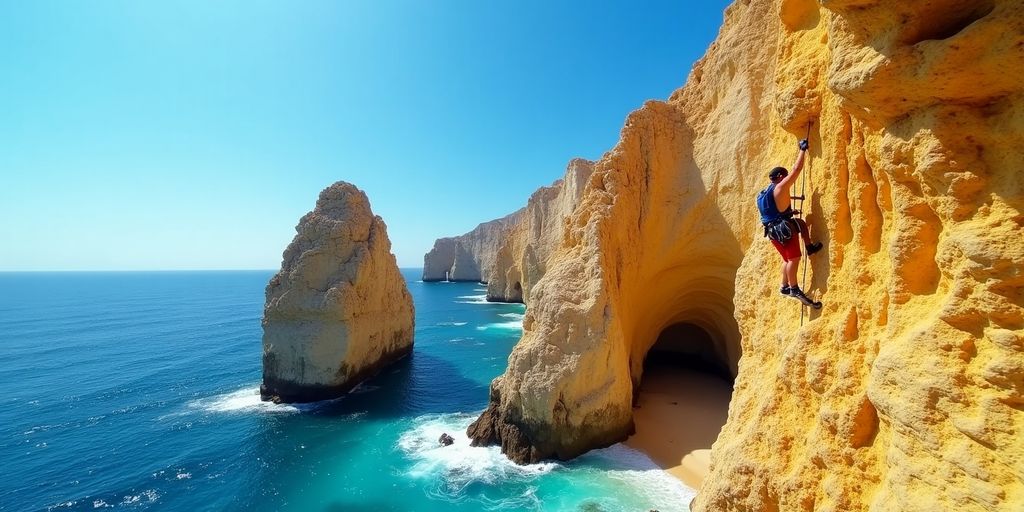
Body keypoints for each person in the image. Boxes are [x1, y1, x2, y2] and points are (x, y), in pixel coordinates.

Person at [757, 138, 824, 309]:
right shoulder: (780, 186)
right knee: (794, 259)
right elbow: (797, 169)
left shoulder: (764, 193)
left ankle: (784, 286)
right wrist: (802, 150)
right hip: (783, 230)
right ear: (780, 177)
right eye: (785, 178)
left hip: (773, 232)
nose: (787, 180)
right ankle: (794, 288)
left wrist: (789, 209)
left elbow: (775, 203)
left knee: (800, 224)